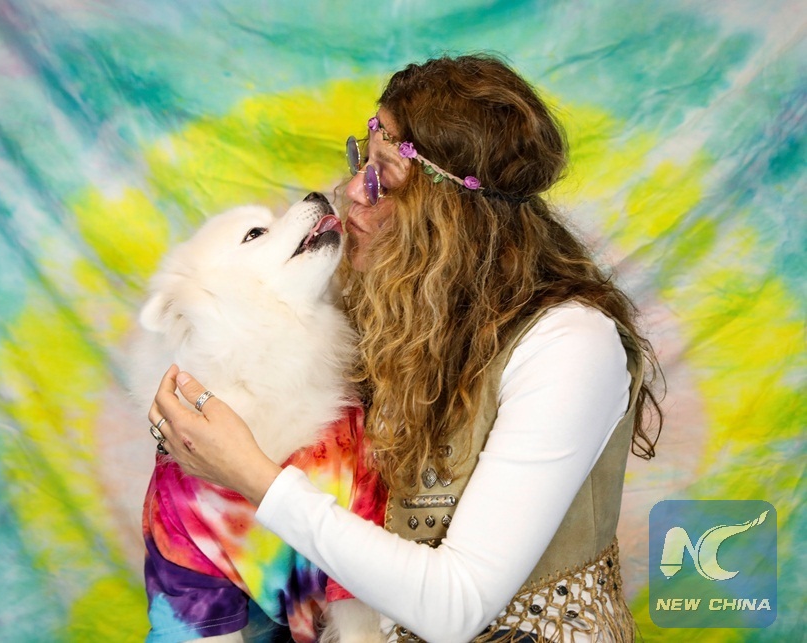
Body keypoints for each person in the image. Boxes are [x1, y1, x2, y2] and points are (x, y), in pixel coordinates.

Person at [147, 54, 663, 642]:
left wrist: (252, 475)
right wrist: (189, 426)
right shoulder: (390, 308)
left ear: (453, 215)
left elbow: (456, 608)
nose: (351, 191)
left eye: (383, 179)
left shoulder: (571, 346)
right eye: (360, 163)